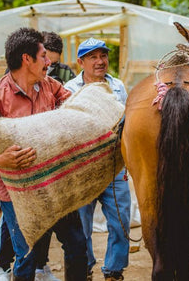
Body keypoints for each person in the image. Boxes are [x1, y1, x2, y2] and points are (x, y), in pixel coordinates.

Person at [0, 27, 88, 281]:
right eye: (44, 56)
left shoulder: (50, 86)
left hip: (53, 183)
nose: (49, 62)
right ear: (27, 59)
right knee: (27, 254)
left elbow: (74, 105)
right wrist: (0, 159)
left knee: (78, 244)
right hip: (16, 192)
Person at [64, 38, 131, 281]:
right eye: (93, 57)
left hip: (114, 165)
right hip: (83, 168)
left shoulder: (118, 87)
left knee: (121, 221)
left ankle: (114, 270)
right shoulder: (70, 89)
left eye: (103, 56)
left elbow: (126, 123)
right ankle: (85, 268)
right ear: (80, 62)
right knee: (81, 225)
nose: (100, 61)